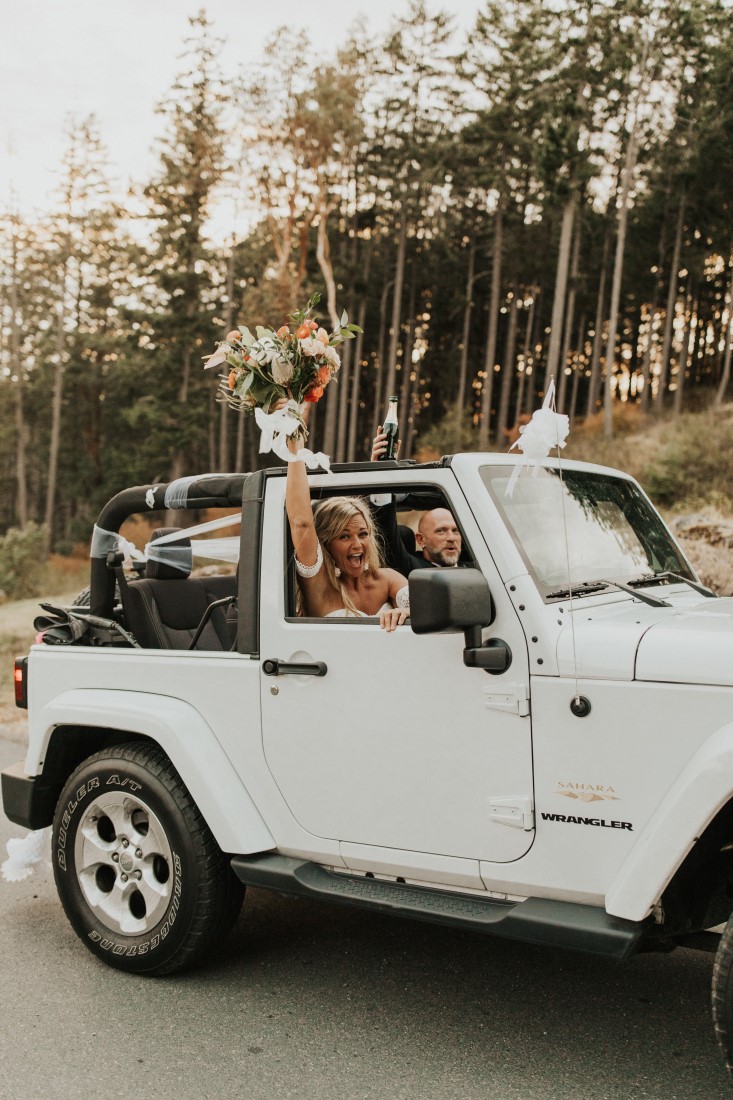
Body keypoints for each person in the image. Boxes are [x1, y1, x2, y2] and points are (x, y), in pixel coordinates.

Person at [284, 416, 410, 631]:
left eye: (363, 534)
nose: (357, 544)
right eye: (344, 536)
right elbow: (301, 522)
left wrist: (408, 612)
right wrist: (294, 442)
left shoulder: (388, 578)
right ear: (326, 543)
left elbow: (433, 610)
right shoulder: (319, 587)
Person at [370, 429, 463, 574]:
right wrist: (381, 471)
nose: (451, 538)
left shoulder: (478, 563)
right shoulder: (411, 567)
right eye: (441, 531)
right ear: (421, 540)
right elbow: (385, 526)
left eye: (456, 531)